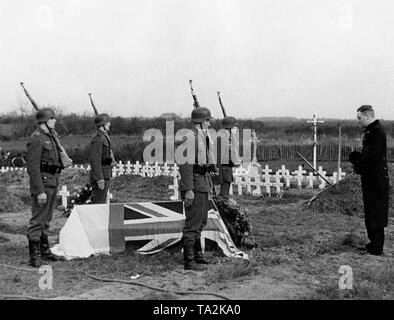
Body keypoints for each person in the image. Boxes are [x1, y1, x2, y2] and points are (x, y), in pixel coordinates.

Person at [349, 105, 389, 256]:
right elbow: (369, 155)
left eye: (359, 118)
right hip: (372, 178)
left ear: (367, 116)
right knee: (371, 211)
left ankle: (377, 248)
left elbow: (374, 157)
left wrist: (358, 165)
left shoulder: (377, 132)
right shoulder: (372, 131)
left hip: (376, 180)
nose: (358, 121)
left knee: (376, 212)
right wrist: (357, 157)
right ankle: (373, 244)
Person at [26, 108, 64, 267]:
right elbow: (33, 167)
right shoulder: (37, 139)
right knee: (37, 220)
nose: (55, 121)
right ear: (44, 121)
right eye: (52, 118)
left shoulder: (51, 137)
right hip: (43, 184)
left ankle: (45, 252)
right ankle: (34, 257)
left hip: (52, 182)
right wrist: (39, 191)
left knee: (46, 220)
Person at [179, 107, 215, 271]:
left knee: (201, 221)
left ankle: (198, 257)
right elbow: (185, 166)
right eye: (207, 120)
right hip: (194, 184)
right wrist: (188, 189)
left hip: (202, 183)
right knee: (192, 223)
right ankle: (189, 261)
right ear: (201, 121)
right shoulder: (190, 138)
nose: (209, 123)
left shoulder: (201, 137)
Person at [89, 113, 114, 204]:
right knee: (98, 204)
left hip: (105, 173)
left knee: (101, 203)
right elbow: (95, 160)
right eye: (108, 122)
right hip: (101, 175)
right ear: (102, 124)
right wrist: (99, 178)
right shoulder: (98, 138)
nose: (110, 124)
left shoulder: (104, 136)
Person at [216, 116, 240, 198]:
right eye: (234, 127)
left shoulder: (229, 138)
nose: (236, 129)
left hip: (227, 170)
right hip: (223, 171)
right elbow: (218, 158)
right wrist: (219, 176)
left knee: (225, 195)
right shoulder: (221, 138)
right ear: (229, 127)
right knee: (222, 196)